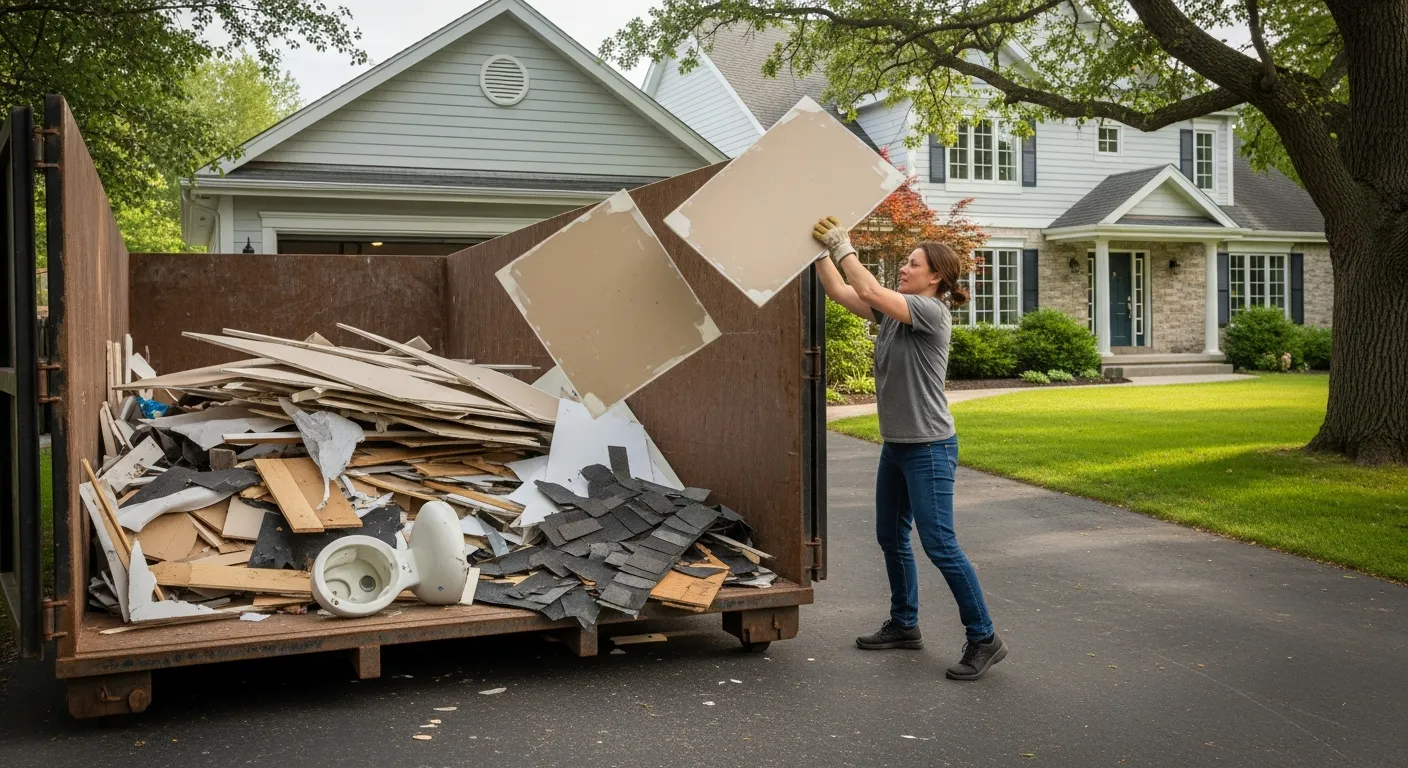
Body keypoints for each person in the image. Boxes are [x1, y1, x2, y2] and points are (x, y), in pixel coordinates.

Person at [812, 215, 1007, 681]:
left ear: (935, 276)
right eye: (904, 261)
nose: (903, 267)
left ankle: (984, 637)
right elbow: (844, 292)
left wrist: (843, 245)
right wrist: (817, 254)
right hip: (898, 447)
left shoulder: (931, 312)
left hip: (930, 448)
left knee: (939, 543)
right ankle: (905, 624)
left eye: (912, 263)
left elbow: (872, 290)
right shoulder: (895, 314)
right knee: (890, 537)